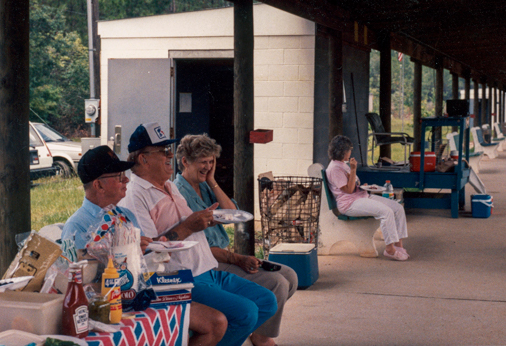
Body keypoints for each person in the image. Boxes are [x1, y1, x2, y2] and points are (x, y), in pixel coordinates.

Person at [118, 122, 278, 346]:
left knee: (267, 301)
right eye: (163, 151)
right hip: (181, 279)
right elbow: (148, 249)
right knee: (246, 313)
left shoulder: (168, 186)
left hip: (208, 270)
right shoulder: (136, 195)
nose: (169, 156)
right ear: (143, 159)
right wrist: (190, 226)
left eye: (169, 150)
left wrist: (202, 220)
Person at [61, 145, 227, 346]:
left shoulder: (124, 215)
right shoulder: (76, 226)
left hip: (142, 290)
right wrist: (120, 254)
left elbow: (144, 256)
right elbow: (76, 284)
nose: (127, 180)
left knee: (216, 323)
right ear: (99, 185)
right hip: (109, 303)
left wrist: (152, 247)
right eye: (119, 176)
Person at [173, 134, 298, 346]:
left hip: (224, 256)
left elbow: (232, 214)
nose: (208, 166)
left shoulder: (204, 186)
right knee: (276, 282)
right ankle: (259, 337)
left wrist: (211, 181)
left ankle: (259, 331)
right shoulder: (178, 192)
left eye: (211, 161)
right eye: (203, 161)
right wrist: (236, 258)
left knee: (290, 275)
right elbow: (198, 247)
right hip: (211, 261)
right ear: (185, 161)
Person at [326, 135, 409, 261]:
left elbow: (352, 184)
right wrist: (353, 169)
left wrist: (361, 185)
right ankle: (390, 249)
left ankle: (399, 245)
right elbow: (348, 190)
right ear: (343, 151)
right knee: (386, 212)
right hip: (349, 203)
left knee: (397, 208)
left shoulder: (342, 164)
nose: (350, 152)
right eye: (349, 149)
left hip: (361, 196)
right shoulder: (334, 168)